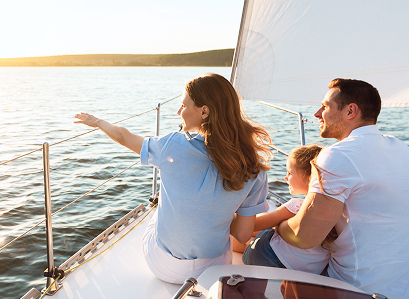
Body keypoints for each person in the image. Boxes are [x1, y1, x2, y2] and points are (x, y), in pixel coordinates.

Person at [253, 78, 409, 298]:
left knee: (264, 246)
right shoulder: (399, 146)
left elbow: (305, 236)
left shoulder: (337, 155)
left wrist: (278, 225)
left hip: (370, 289)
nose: (317, 113)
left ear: (350, 111)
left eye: (325, 106)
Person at [74, 73, 270, 284]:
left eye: (183, 106)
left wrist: (98, 122)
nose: (179, 112)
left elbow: (124, 136)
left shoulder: (172, 146)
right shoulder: (255, 169)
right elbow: (242, 235)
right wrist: (216, 213)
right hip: (212, 270)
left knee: (158, 210)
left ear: (204, 111)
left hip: (163, 266)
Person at [239, 144, 336, 275]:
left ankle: (242, 246)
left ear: (307, 177)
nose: (285, 178)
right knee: (270, 228)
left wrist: (230, 215)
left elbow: (252, 225)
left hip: (267, 258)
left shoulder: (296, 206)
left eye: (289, 173)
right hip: (310, 271)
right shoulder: (336, 211)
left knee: (257, 232)